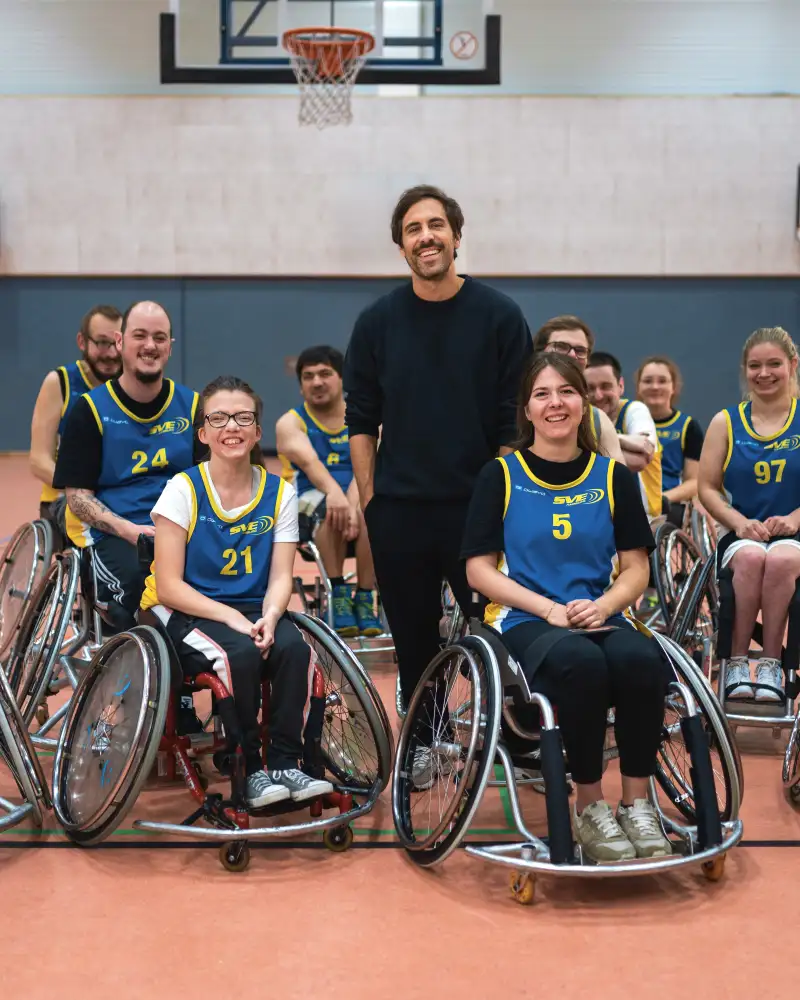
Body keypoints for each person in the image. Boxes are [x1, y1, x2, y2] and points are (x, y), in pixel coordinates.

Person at [462, 352, 672, 863]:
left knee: (642, 663)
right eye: (542, 394)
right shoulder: (501, 474)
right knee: (582, 666)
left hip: (600, 611)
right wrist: (549, 609)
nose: (555, 403)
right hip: (525, 618)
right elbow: (479, 571)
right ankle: (590, 807)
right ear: (527, 411)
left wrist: (602, 606)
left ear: (585, 406)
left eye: (566, 392)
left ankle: (637, 804)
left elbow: (637, 570)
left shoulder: (613, 477)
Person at [344, 184, 532, 722]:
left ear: (456, 235)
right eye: (412, 230)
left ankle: (517, 738)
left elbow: (511, 416)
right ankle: (424, 740)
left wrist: (499, 499)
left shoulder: (498, 315)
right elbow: (361, 417)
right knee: (413, 642)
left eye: (435, 225)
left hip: (477, 507)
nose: (425, 237)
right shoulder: (378, 322)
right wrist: (371, 498)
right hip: (400, 510)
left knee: (497, 631)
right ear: (402, 248)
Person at [140, 375, 334, 809]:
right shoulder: (182, 489)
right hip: (185, 610)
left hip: (252, 608)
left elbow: (281, 576)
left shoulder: (279, 492)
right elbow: (169, 585)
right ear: (203, 432)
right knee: (237, 655)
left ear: (258, 432)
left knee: (296, 650)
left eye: (244, 417)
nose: (233, 426)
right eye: (220, 418)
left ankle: (287, 763)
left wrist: (271, 614)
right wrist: (231, 619)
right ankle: (249, 768)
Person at [53, 300, 197, 628]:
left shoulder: (192, 407)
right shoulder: (89, 410)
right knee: (136, 593)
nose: (150, 345)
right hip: (113, 532)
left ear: (170, 347)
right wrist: (130, 531)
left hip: (178, 529)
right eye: (140, 336)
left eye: (160, 338)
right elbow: (77, 497)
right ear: (120, 343)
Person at [698, 326, 800, 704]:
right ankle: (738, 662)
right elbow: (706, 487)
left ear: (792, 365)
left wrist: (794, 518)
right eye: (755, 365)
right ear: (745, 369)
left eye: (774, 364)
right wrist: (738, 522)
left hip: (795, 532)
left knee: (784, 558)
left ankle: (772, 663)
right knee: (755, 556)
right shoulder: (726, 422)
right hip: (744, 532)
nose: (764, 373)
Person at [276, 346, 381, 638]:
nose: (317, 382)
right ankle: (338, 594)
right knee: (327, 507)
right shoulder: (290, 422)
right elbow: (310, 464)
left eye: (325, 374)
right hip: (311, 496)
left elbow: (368, 465)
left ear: (341, 379)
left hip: (358, 492)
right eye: (308, 377)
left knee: (374, 510)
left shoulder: (364, 418)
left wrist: (351, 502)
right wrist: (337, 497)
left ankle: (364, 596)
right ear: (300, 387)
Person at [29, 305, 122, 525]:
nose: (110, 353)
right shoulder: (60, 382)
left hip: (118, 498)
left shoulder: (131, 386)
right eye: (101, 342)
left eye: (116, 343)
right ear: (82, 341)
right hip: (63, 500)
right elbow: (38, 460)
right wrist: (84, 492)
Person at [531, 316, 625, 464]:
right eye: (560, 346)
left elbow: (617, 479)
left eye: (580, 350)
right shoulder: (513, 407)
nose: (572, 355)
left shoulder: (597, 419)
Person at [586, 351, 663, 521]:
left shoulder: (634, 410)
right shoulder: (578, 417)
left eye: (606, 386)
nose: (598, 396)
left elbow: (643, 453)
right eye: (590, 388)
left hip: (644, 518)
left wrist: (597, 439)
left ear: (620, 386)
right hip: (595, 518)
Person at [635, 355, 704, 523]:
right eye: (648, 381)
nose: (655, 386)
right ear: (639, 387)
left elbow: (694, 481)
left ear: (674, 387)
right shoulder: (626, 421)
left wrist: (662, 498)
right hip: (630, 500)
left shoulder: (687, 426)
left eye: (662, 381)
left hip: (667, 503)